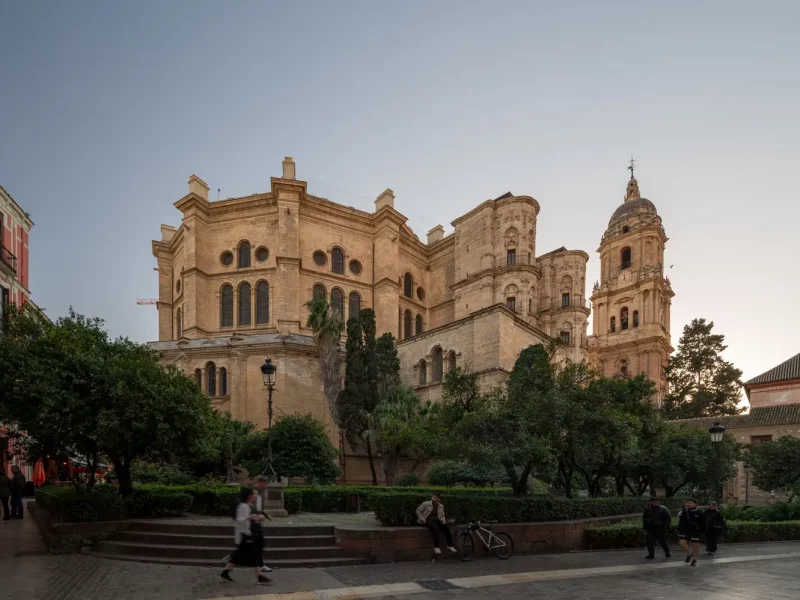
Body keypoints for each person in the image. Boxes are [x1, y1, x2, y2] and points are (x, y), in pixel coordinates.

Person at [220, 487, 271, 586]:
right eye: (252, 495)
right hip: (245, 535)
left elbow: (249, 518)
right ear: (248, 496)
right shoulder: (243, 506)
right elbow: (239, 520)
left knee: (242, 556)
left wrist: (257, 518)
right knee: (252, 557)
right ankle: (260, 577)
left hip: (247, 534)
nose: (254, 497)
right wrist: (250, 517)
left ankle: (225, 571)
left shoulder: (248, 505)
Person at [253, 476, 273, 574]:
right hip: (253, 524)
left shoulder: (259, 493)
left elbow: (259, 509)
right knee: (259, 544)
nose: (266, 486)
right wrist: (258, 516)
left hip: (257, 523)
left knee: (259, 545)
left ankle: (260, 565)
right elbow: (250, 508)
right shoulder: (253, 493)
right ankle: (260, 566)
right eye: (265, 483)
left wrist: (265, 515)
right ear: (260, 482)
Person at [677, 498, 705, 567]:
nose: (689, 504)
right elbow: (681, 522)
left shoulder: (700, 513)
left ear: (695, 504)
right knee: (682, 543)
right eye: (688, 502)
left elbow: (704, 524)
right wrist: (679, 529)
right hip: (685, 530)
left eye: (691, 503)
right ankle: (689, 553)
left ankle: (694, 560)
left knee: (695, 546)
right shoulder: (685, 512)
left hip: (695, 531)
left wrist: (702, 532)